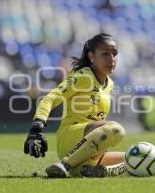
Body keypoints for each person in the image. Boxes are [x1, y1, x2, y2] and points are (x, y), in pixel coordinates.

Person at [23, 33, 126, 178]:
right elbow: (49, 99)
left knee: (139, 157)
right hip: (70, 138)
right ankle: (65, 164)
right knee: (116, 130)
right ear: (91, 56)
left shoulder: (110, 83)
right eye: (105, 54)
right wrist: (36, 127)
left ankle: (93, 170)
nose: (111, 59)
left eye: (114, 54)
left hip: (90, 147)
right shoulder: (83, 77)